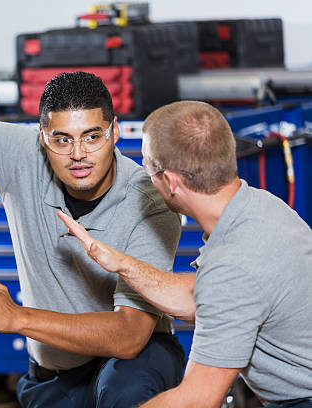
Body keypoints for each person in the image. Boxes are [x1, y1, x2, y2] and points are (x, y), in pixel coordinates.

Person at [0, 71, 185, 407]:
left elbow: (129, 336)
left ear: (115, 133)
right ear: (42, 137)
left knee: (126, 390)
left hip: (133, 362)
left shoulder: (149, 203)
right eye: (62, 139)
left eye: (92, 137)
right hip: (55, 373)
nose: (78, 153)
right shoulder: (24, 156)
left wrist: (18, 317)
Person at [59, 100, 312, 407]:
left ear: (171, 182)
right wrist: (121, 264)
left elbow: (197, 399)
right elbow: (208, 298)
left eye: (148, 167)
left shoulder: (234, 264)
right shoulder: (259, 207)